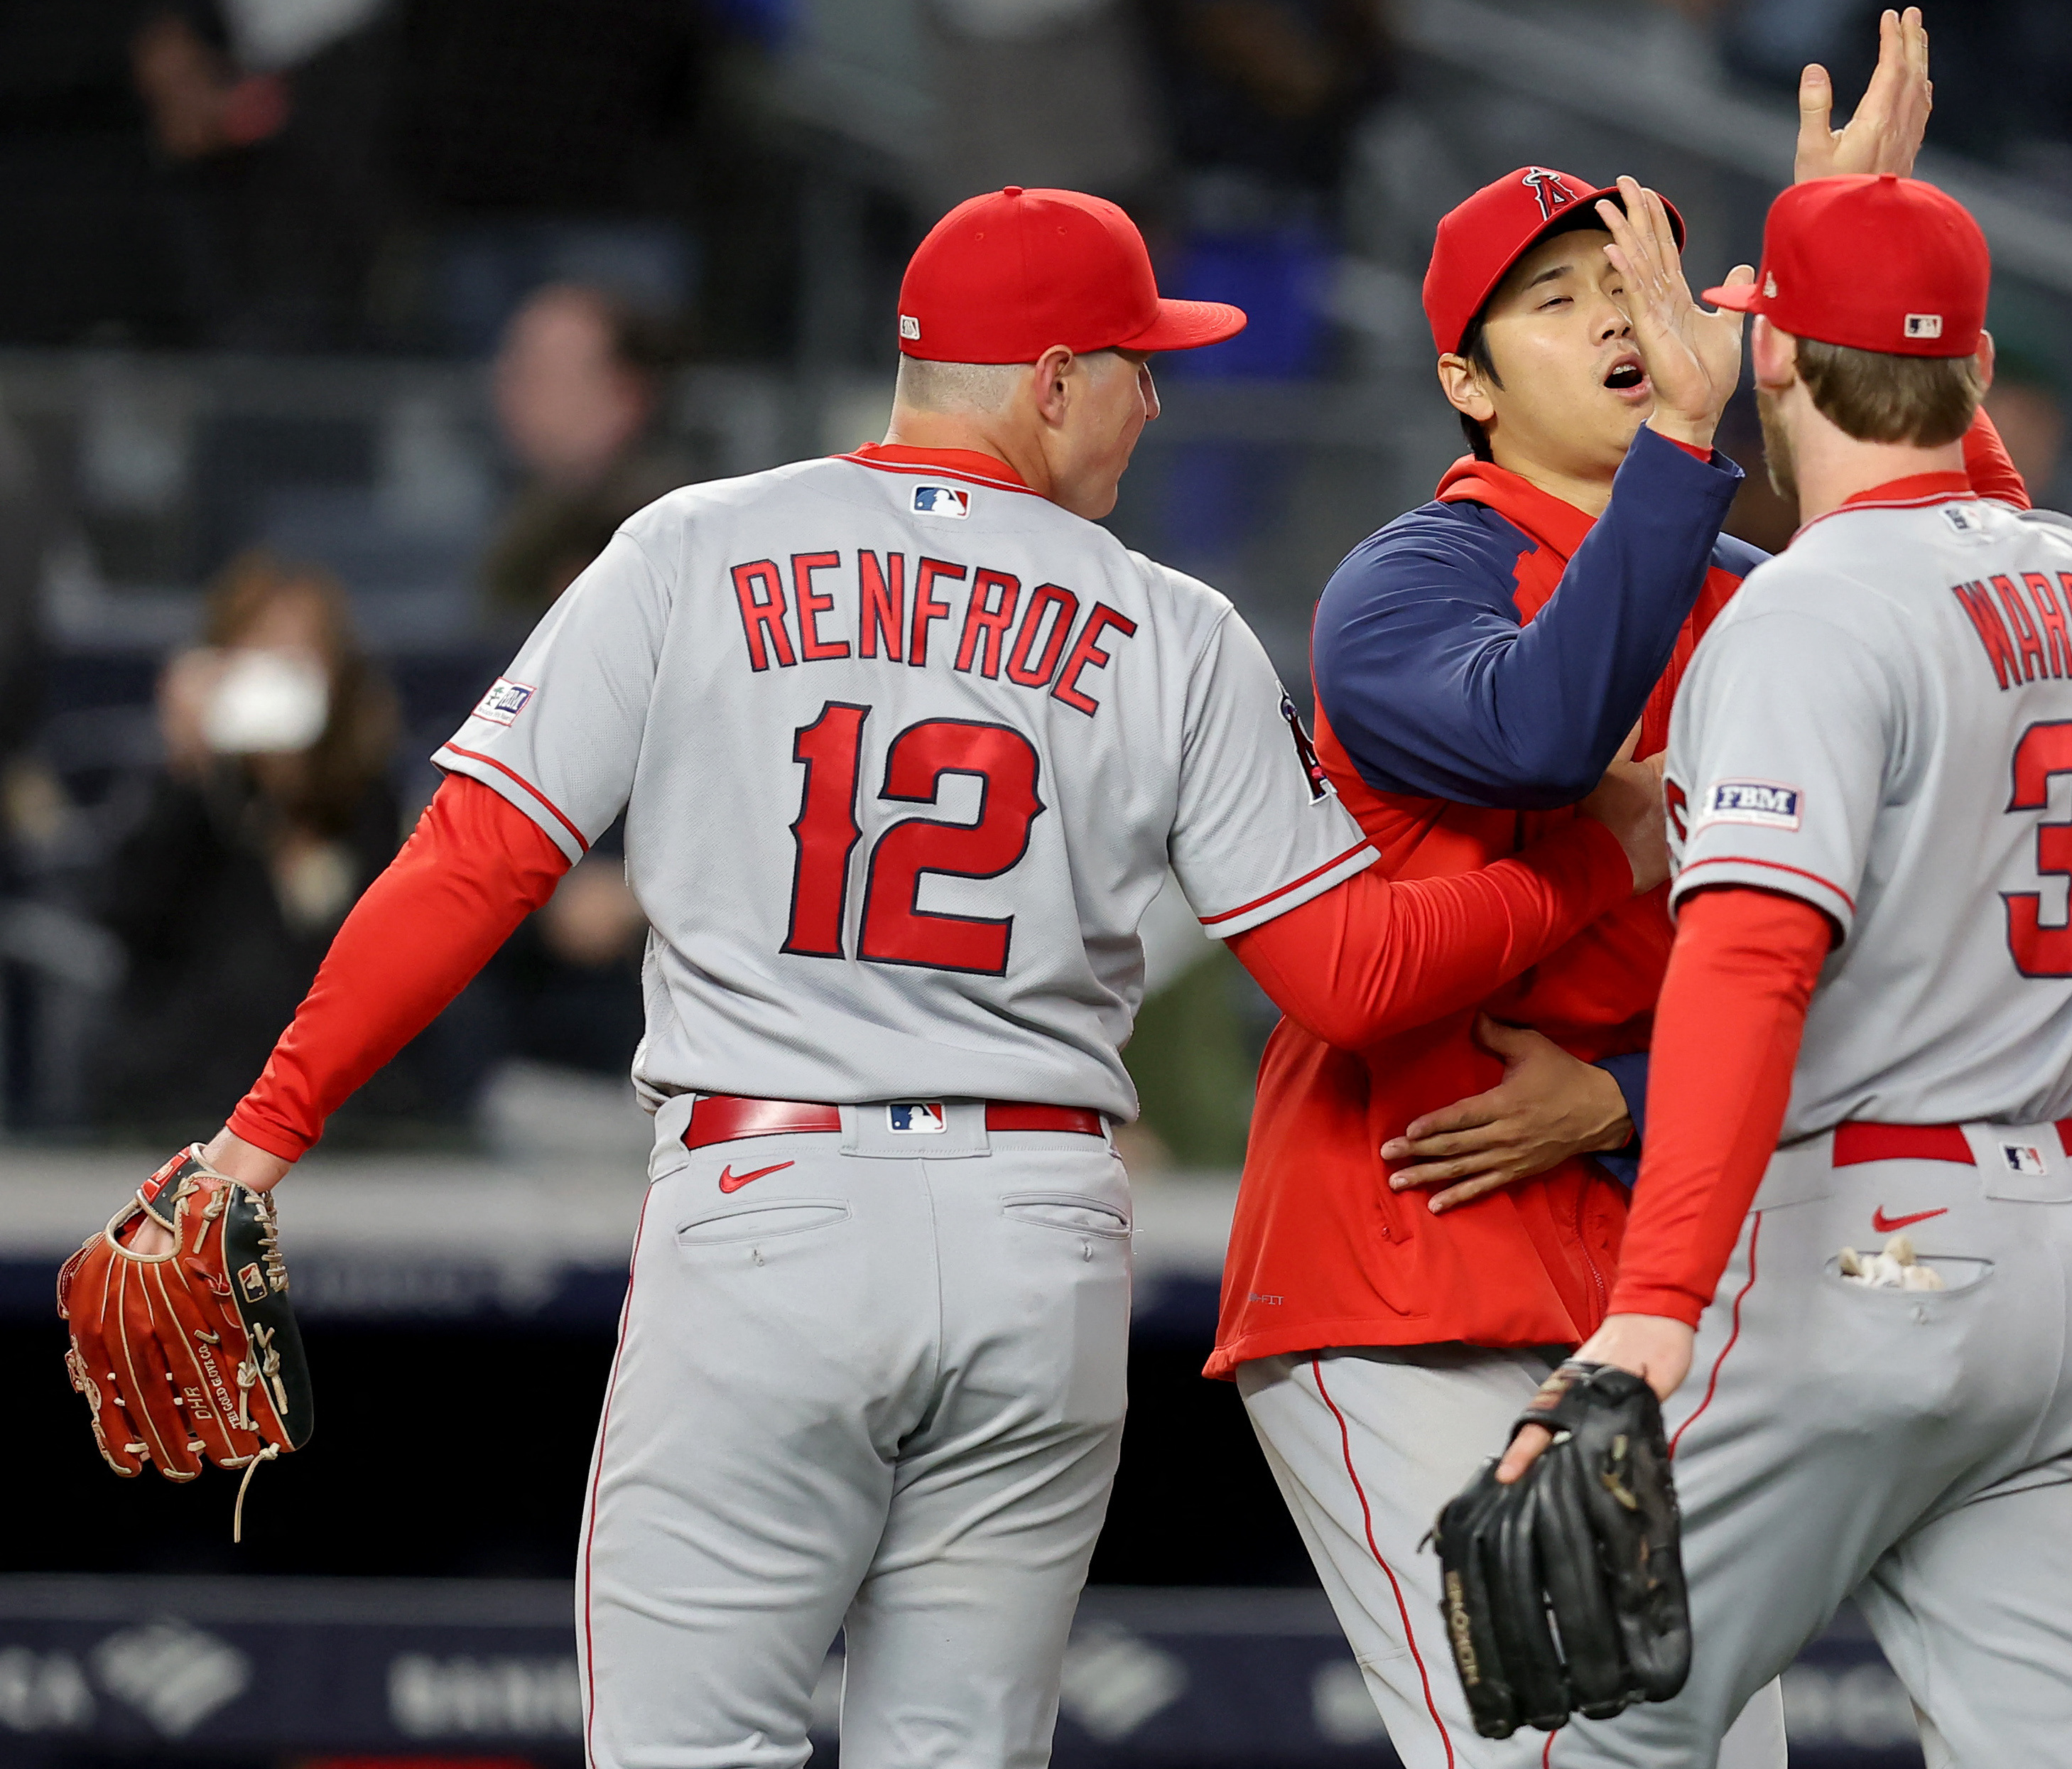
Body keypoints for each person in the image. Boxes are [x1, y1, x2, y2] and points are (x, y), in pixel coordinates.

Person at [108, 185, 1675, 1768]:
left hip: (767, 1202)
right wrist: (1599, 857)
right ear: (1051, 381)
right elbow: (1351, 974)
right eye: (1138, 364)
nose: (1154, 399)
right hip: (1038, 1235)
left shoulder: (692, 545)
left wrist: (265, 1129)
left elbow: (472, 861)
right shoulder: (1170, 622)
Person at [1209, 12, 2025, 1769]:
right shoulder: (1403, 582)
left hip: (1649, 1267)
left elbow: (1958, 572)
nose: (1612, 316)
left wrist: (1851, 267)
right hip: (1403, 1266)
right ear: (1467, 380)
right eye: (1557, 296)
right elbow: (1545, 726)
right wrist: (1691, 459)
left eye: (1626, 275)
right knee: (1540, 1756)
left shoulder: (1751, 586)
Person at [1498, 169, 2072, 1769]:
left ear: (1776, 362)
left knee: (1576, 1733)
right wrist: (1872, 240)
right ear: (1982, 365)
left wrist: (1651, 1312)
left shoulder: (1801, 614)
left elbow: (1748, 964)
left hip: (1870, 1252)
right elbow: (1971, 481)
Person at [87, 553, 450, 1139]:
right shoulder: (184, 796)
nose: (282, 672)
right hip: (186, 1100)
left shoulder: (373, 802)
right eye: (261, 651)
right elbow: (130, 920)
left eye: (304, 651)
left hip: (353, 1113)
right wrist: (194, 769)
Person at [477, 283, 693, 622]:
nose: (511, 389)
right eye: (510, 366)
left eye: (543, 372)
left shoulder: (647, 535)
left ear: (627, 394)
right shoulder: (533, 513)